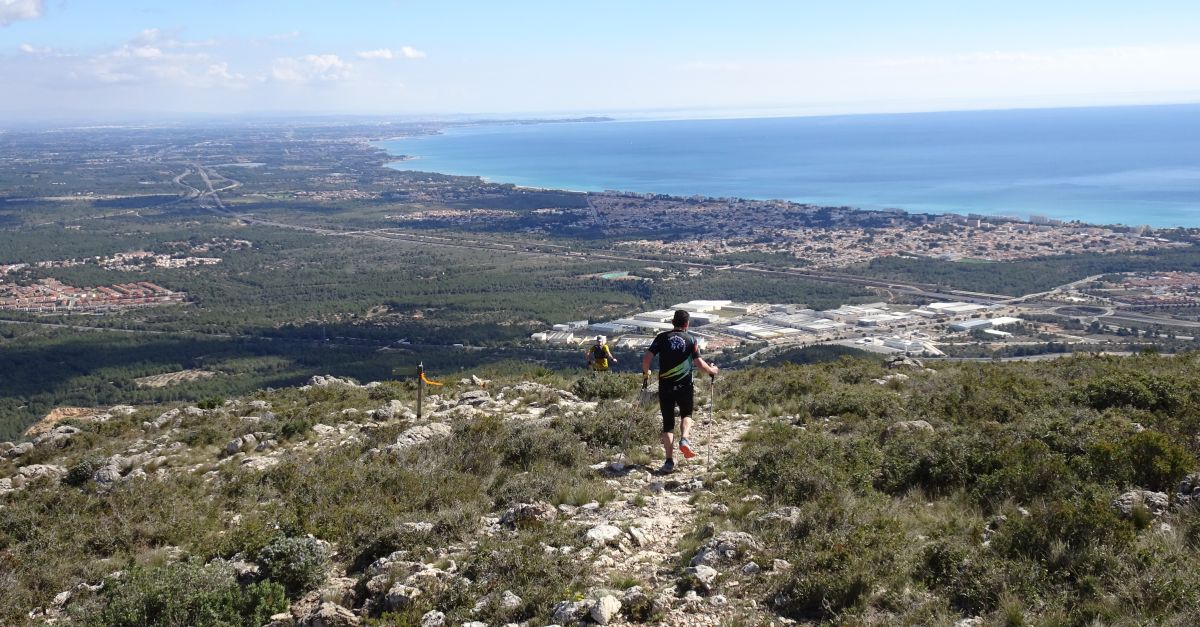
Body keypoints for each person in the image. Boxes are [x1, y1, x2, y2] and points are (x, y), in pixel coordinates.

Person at [642, 310, 718, 474]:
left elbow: (647, 358)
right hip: (684, 385)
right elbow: (699, 363)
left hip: (665, 386)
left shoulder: (661, 337)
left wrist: (646, 374)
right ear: (687, 324)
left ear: (672, 322)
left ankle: (669, 461)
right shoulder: (691, 339)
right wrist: (713, 370)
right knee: (686, 414)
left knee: (668, 424)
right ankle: (684, 439)